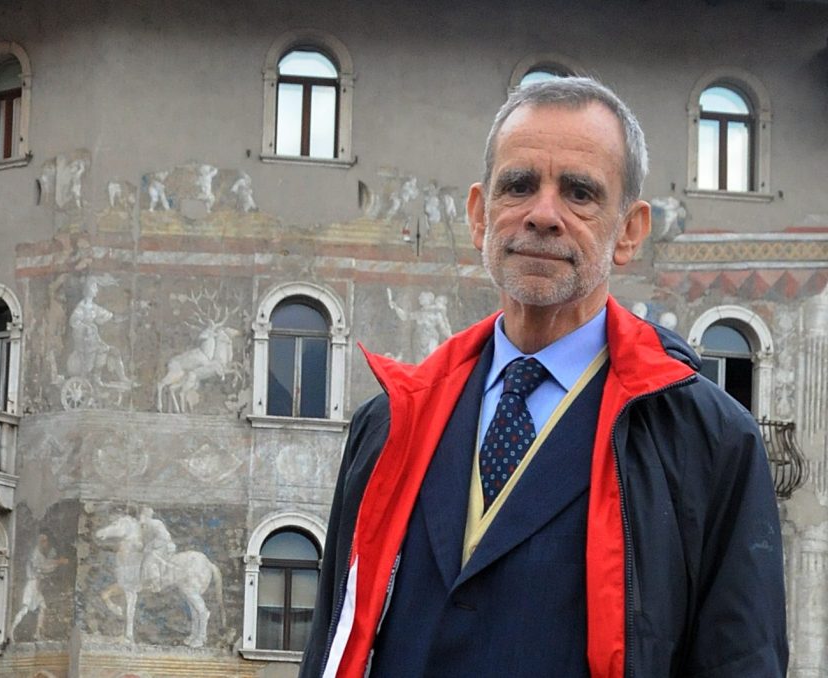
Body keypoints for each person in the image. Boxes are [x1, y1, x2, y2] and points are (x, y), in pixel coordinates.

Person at [299, 77, 787, 678]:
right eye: (519, 186)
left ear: (629, 231)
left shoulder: (709, 442)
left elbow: (741, 661)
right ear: (480, 215)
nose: (543, 215)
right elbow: (331, 645)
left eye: (580, 193)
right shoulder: (389, 423)